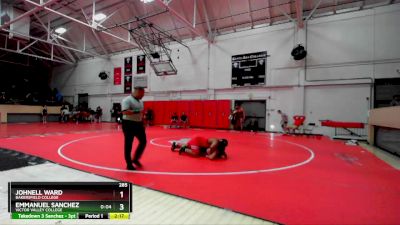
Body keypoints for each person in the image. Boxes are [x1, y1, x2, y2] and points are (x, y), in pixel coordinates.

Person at [121, 87, 146, 170]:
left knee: (143, 141)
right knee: (128, 144)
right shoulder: (127, 100)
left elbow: (141, 113)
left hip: (138, 124)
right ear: (137, 92)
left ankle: (135, 159)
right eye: (142, 94)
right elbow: (125, 112)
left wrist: (143, 123)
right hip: (128, 123)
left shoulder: (141, 101)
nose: (143, 95)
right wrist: (137, 112)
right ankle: (129, 164)